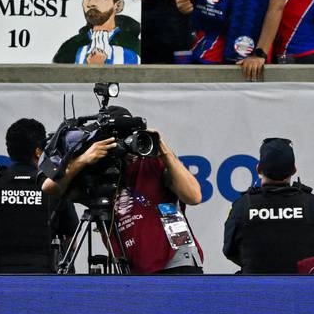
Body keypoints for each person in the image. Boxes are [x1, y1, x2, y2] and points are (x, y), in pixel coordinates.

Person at [41, 111, 204, 275]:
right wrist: (83, 159)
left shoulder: (153, 161)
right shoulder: (97, 174)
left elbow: (194, 196)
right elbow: (49, 187)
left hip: (175, 262)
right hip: (133, 270)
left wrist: (165, 151)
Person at [0, 118, 64, 275]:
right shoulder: (53, 186)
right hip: (43, 277)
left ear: (9, 149)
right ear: (39, 151)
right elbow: (71, 240)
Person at [222, 137, 314, 274]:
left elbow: (229, 250)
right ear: (294, 170)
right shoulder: (313, 204)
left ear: (258, 169)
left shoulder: (242, 205)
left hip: (253, 291)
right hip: (303, 291)